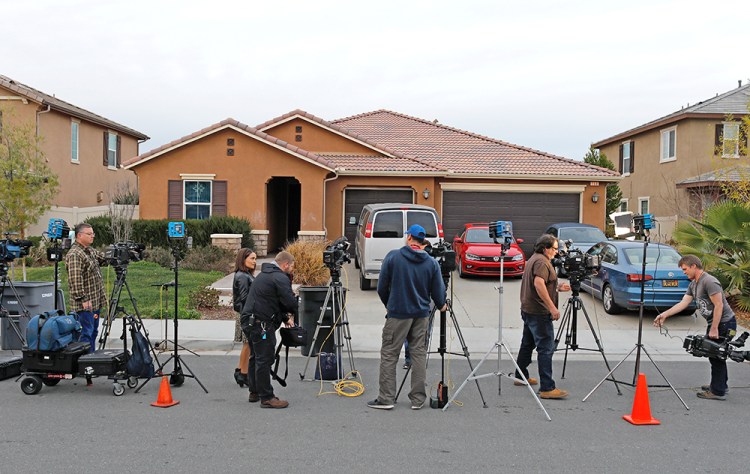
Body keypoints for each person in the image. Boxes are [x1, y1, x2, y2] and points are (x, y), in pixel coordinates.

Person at [368, 224, 447, 410]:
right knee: (418, 354)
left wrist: (391, 305)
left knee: (389, 354)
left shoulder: (393, 257)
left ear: (410, 238)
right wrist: (442, 303)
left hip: (398, 314)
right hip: (421, 315)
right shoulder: (431, 263)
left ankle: (386, 398)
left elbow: (381, 287)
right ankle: (418, 399)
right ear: (422, 241)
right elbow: (438, 293)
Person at [653, 255, 737, 400]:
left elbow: (719, 305)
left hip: (724, 323)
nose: (684, 272)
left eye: (685, 269)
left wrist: (714, 328)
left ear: (693, 266)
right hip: (715, 323)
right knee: (714, 355)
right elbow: (683, 303)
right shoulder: (693, 284)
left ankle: (718, 390)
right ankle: (720, 385)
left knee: (716, 355)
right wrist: (664, 315)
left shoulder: (709, 281)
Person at [514, 234, 570, 399]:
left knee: (527, 344)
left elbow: (540, 283)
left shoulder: (535, 258)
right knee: (546, 348)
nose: (556, 252)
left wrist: (557, 287)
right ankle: (547, 387)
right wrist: (552, 307)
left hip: (529, 309)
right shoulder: (542, 262)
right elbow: (538, 283)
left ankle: (520, 375)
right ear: (545, 248)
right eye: (554, 248)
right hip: (539, 312)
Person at [241, 251, 297, 408]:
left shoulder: (265, 275)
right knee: (264, 359)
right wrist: (293, 311)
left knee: (256, 356)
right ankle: (267, 397)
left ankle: (254, 391)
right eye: (292, 266)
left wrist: (284, 318)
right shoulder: (280, 277)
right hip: (261, 324)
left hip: (250, 321)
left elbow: (272, 300)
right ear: (285, 264)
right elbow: (289, 302)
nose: (292, 269)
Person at [65, 223, 108, 356]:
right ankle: (82, 363)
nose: (92, 236)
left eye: (93, 234)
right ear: (79, 235)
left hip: (94, 302)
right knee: (85, 334)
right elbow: (75, 279)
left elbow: (103, 259)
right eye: (89, 234)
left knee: (93, 332)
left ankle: (91, 359)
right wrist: (83, 299)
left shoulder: (88, 250)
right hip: (84, 305)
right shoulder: (75, 254)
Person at [233, 248, 257, 387]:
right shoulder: (242, 276)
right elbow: (244, 297)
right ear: (243, 260)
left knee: (247, 344)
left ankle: (240, 371)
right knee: (248, 344)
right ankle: (243, 373)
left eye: (255, 258)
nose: (254, 261)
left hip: (244, 313)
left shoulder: (245, 274)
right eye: (252, 259)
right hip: (245, 314)